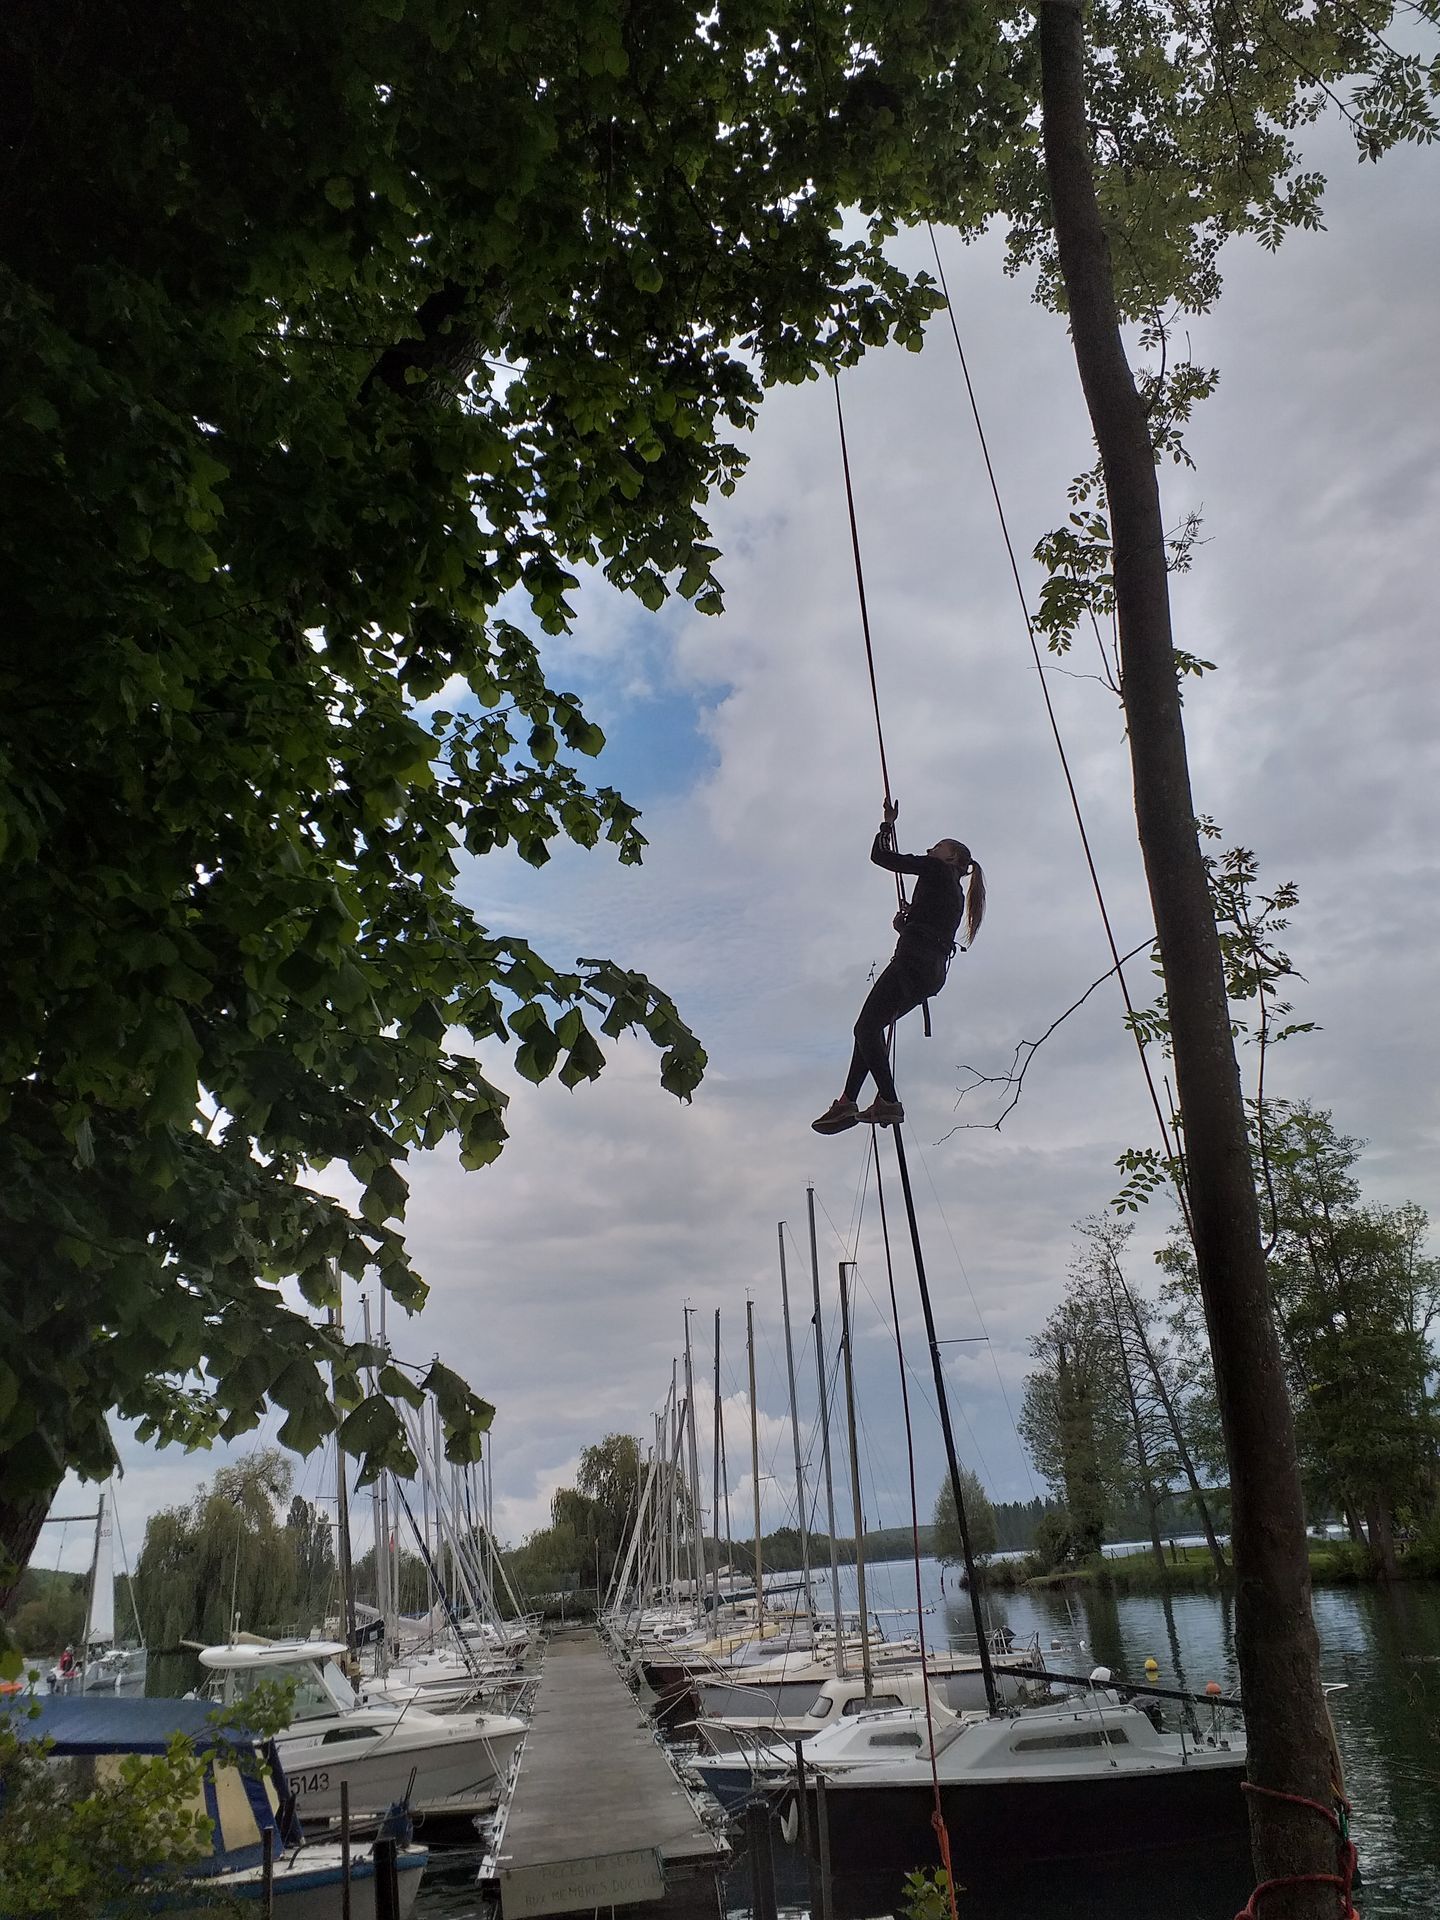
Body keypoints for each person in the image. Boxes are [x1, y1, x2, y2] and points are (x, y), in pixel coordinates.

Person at [813, 802, 985, 1134]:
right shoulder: (955, 891)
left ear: (949, 859)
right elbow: (931, 928)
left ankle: (888, 1101)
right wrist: (905, 928)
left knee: (865, 1029)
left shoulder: (937, 871)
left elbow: (883, 858)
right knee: (868, 1028)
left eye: (936, 848)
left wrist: (886, 826)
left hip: (913, 963)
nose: (929, 850)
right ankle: (848, 1100)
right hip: (931, 971)